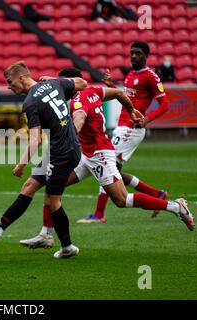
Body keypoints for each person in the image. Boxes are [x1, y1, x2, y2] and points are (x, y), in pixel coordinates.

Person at [19, 68, 194, 249]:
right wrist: (131, 110)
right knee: (54, 187)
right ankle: (46, 234)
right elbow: (119, 92)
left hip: (99, 155)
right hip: (86, 154)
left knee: (121, 200)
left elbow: (79, 119)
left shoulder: (78, 100)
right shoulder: (93, 91)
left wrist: (69, 136)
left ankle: (175, 207)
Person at [0, 61, 87, 259]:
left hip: (64, 152)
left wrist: (21, 163)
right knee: (29, 187)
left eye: (10, 82)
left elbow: (35, 138)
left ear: (22, 78)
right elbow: (82, 83)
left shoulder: (31, 102)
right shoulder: (55, 84)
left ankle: (67, 247)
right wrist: (57, 80)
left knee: (53, 200)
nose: (9, 86)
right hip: (58, 149)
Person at [78, 41, 172, 224]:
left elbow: (165, 104)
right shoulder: (130, 75)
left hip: (131, 128)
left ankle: (99, 214)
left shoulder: (151, 76)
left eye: (137, 53)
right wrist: (111, 85)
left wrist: (146, 120)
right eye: (132, 53)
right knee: (115, 172)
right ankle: (157, 194)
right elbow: (129, 98)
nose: (134, 57)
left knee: (108, 167)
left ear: (146, 56)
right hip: (123, 126)